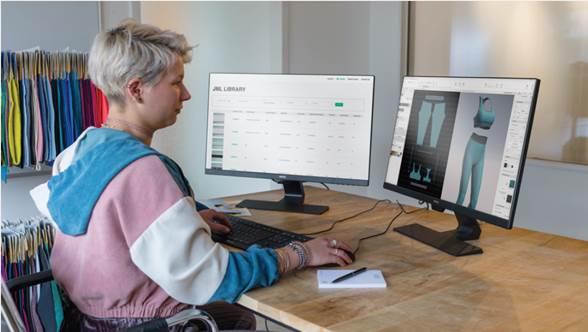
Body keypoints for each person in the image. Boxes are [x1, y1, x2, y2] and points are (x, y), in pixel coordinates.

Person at [30, 20, 352, 331]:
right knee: (237, 315)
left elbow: (108, 219)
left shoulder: (80, 150)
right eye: (175, 82)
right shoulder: (145, 170)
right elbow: (216, 279)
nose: (186, 94)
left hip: (84, 319)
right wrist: (299, 253)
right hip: (144, 325)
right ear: (136, 89)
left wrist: (190, 217)